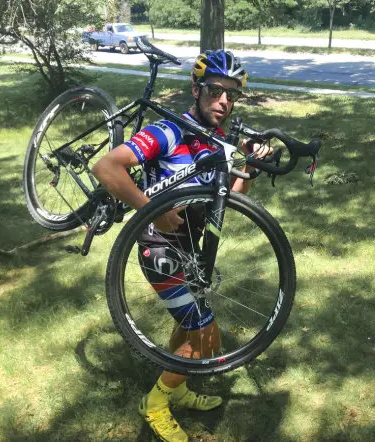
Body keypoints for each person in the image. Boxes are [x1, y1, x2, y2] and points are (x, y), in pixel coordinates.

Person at [92, 49, 270, 442]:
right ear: (196, 89)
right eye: (215, 91)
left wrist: (251, 167)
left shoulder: (217, 141)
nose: (223, 101)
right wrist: (151, 210)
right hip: (160, 249)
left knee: (189, 326)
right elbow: (105, 168)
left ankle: (179, 388)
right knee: (207, 338)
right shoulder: (169, 130)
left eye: (231, 95)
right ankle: (155, 403)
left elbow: (230, 196)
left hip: (190, 251)